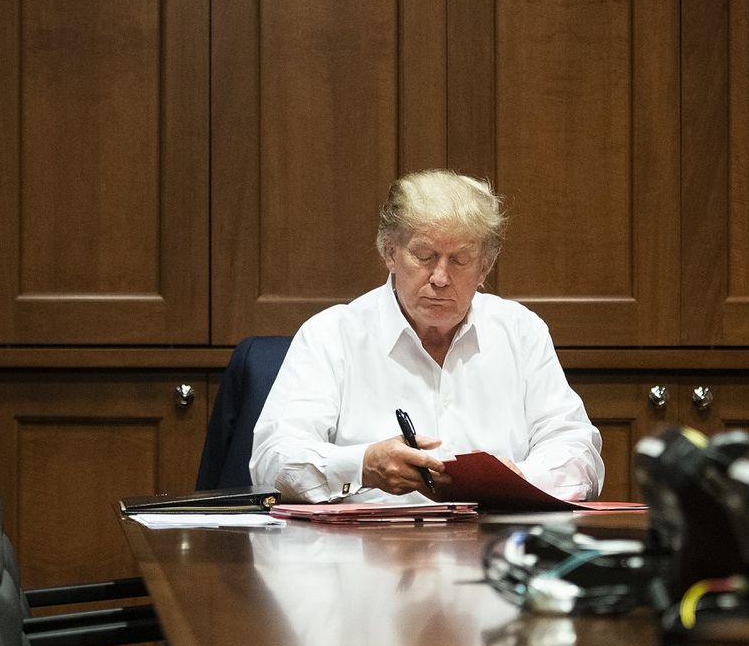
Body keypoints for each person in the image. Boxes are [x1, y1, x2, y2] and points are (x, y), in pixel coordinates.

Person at [250, 169, 604, 503]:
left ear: (485, 267)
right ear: (390, 253)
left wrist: (520, 478)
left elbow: (578, 450)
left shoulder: (520, 332)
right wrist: (363, 465)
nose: (439, 277)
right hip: (365, 556)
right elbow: (271, 460)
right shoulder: (332, 335)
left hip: (491, 549)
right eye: (424, 256)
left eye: (460, 260)